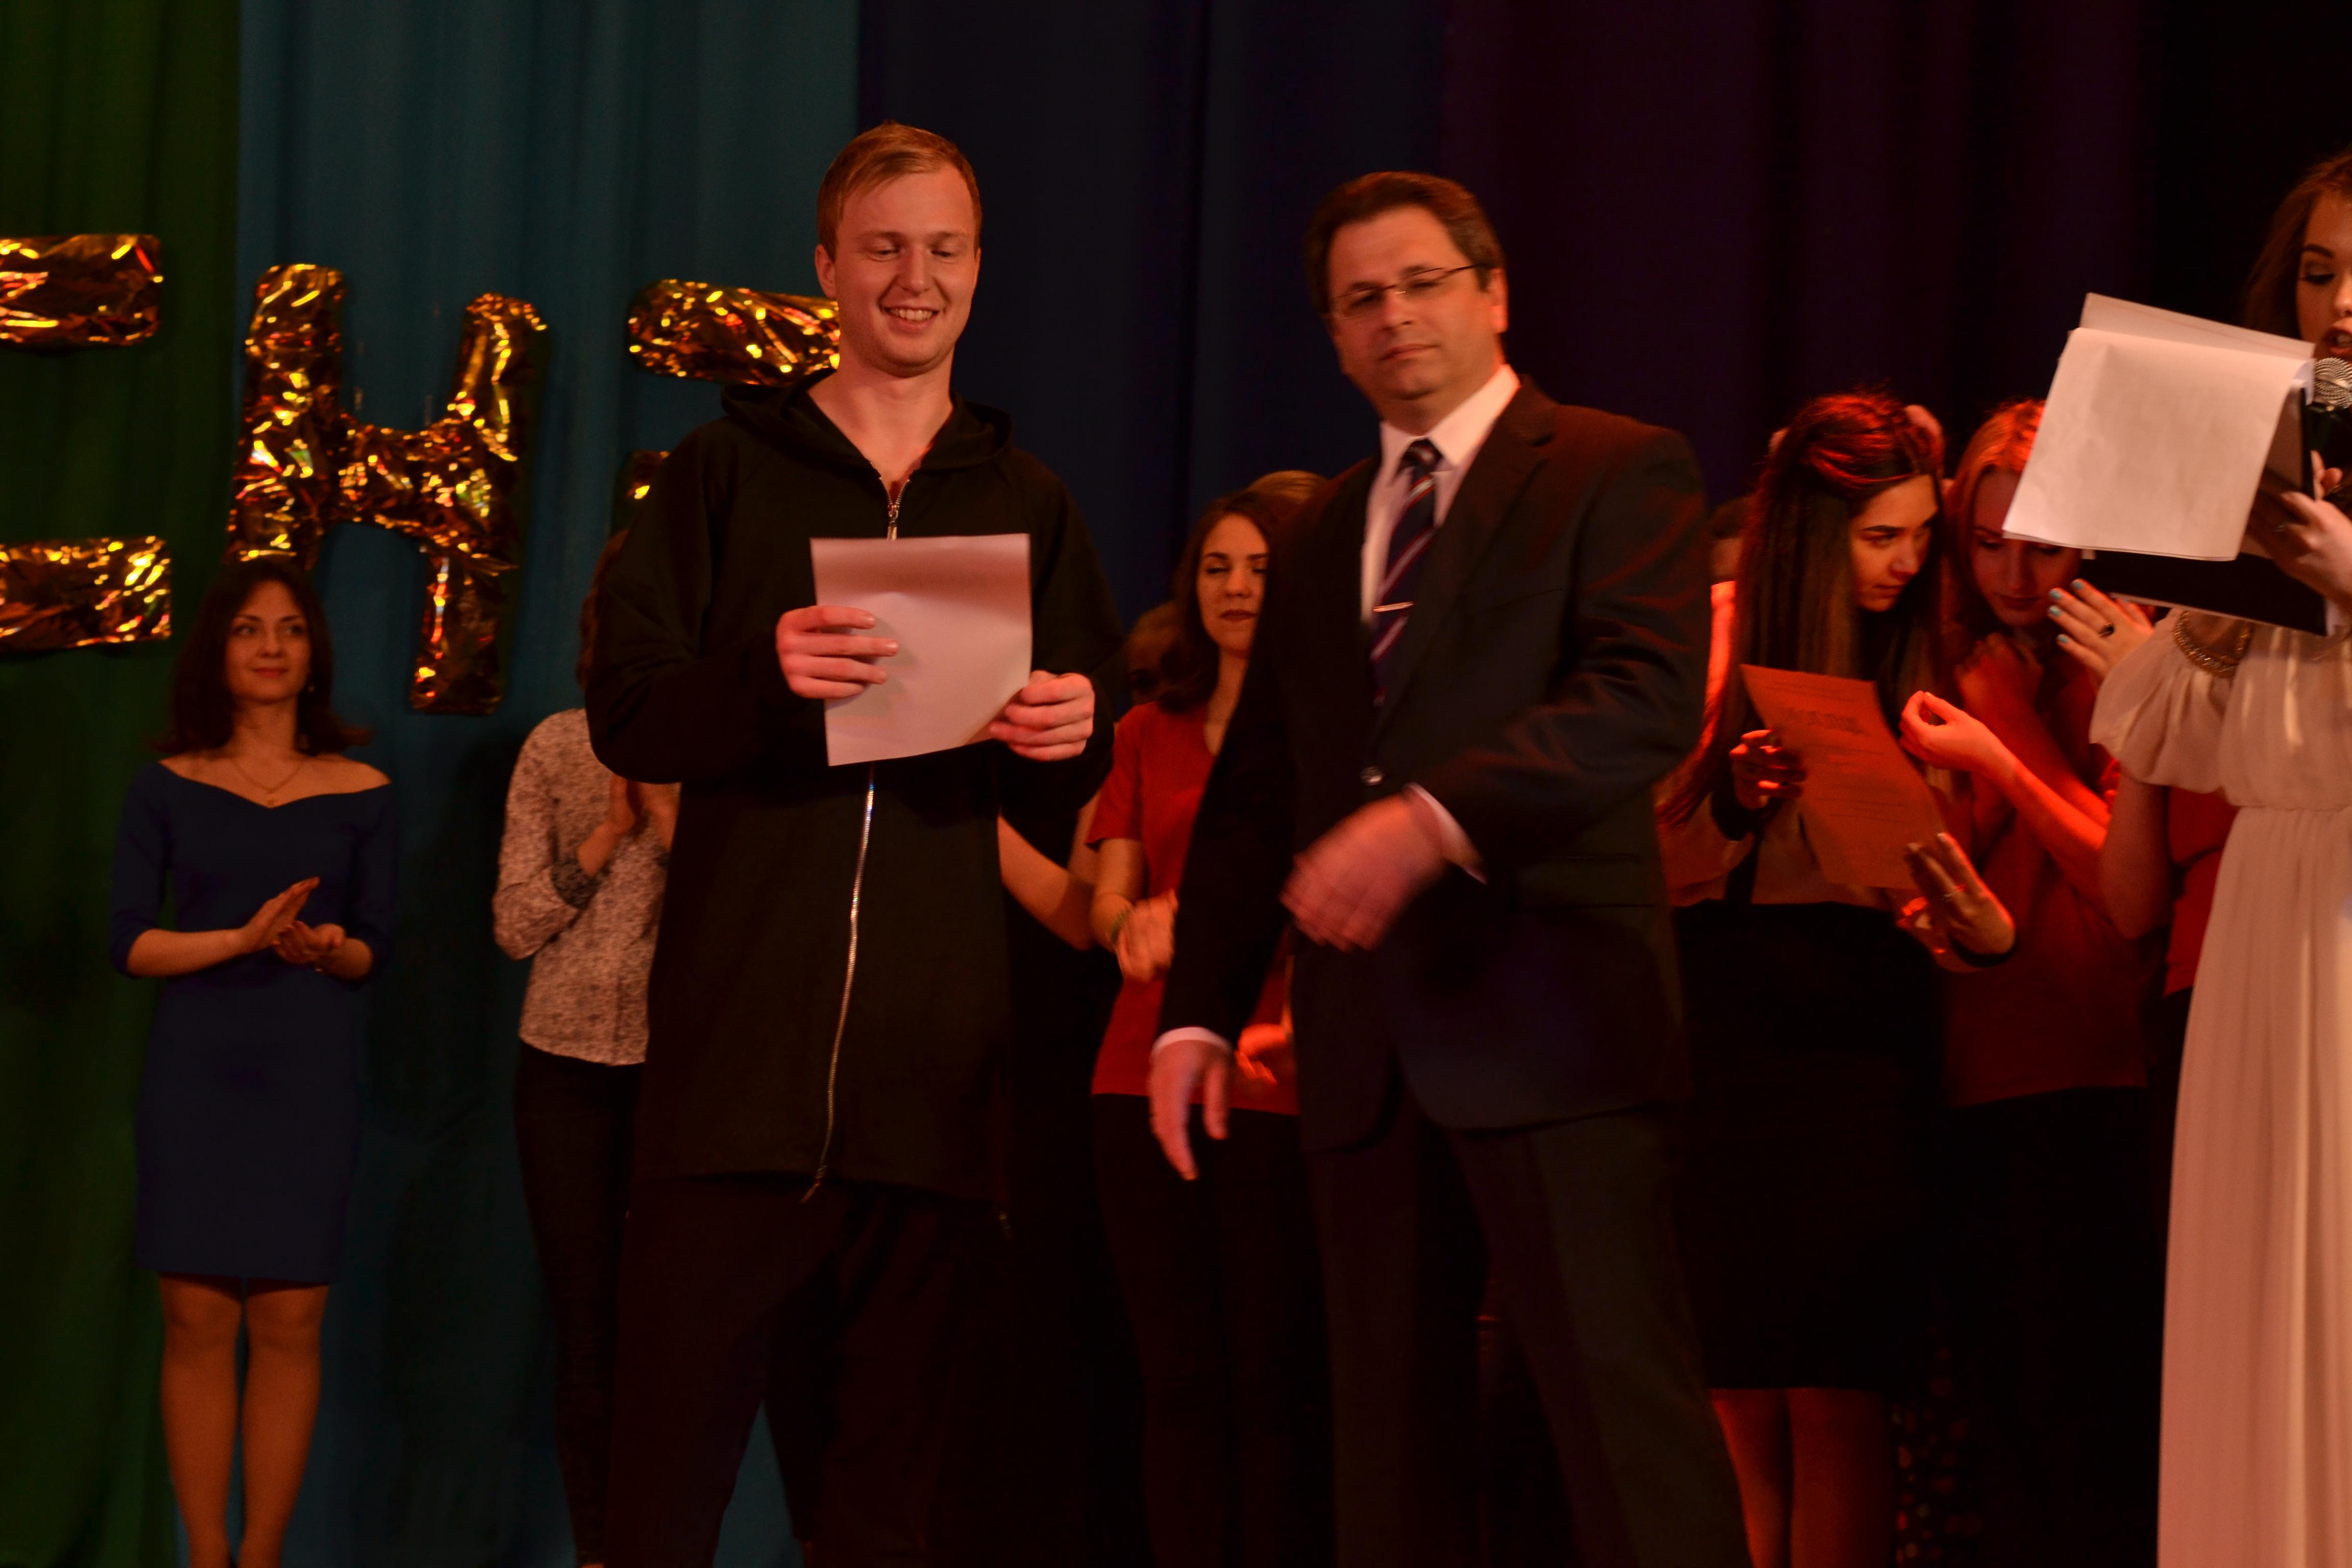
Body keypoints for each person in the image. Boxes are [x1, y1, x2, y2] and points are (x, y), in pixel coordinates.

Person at [1150, 169, 1747, 1568]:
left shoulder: (1613, 466)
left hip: (1557, 1026)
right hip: (1367, 1048)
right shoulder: (1319, 530)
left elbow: (1644, 699)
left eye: (1422, 283)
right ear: (1333, 335)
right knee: (1389, 1457)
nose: (1395, 316)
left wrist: (1431, 821)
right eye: (1360, 299)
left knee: (1624, 1434)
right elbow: (1260, 790)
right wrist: (1197, 1012)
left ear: (1495, 294)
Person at [586, 122, 1121, 1567]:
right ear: (827, 267)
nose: (914, 278)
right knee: (662, 1500)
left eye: (943, 250)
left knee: (886, 1512)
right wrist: (766, 677)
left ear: (979, 270)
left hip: (932, 1095)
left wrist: (1073, 725)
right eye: (884, 248)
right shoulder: (724, 472)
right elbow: (629, 709)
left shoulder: (1026, 500)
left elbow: (1093, 747)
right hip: (734, 1085)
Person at [1659, 391, 2017, 1568]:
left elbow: (1954, 875)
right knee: (1734, 1384)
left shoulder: (1929, 646)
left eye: (1921, 535)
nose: (1908, 562)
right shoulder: (1715, 629)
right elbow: (1643, 854)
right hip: (1730, 1015)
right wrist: (1731, 795)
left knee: (1840, 1386)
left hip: (1863, 1029)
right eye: (1881, 537)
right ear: (1813, 537)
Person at [2090, 146, 2352, 1568]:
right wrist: (2201, 583)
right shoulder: (2286, 458)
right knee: (2260, 1273)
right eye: (2318, 272)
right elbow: (2182, 732)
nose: (2341, 301)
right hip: (2267, 905)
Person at [1896, 399, 2163, 1566]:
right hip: (1970, 1078)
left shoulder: (2124, 662)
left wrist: (2007, 744)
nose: (2014, 575)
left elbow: (2121, 884)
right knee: (2002, 1422)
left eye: (2044, 546)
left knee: (2094, 1422)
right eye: (1991, 544)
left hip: (2099, 1078)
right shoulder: (1954, 662)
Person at [108, 557, 393, 1568]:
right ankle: (206, 1552)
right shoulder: (167, 786)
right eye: (248, 629)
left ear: (315, 653)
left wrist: (328, 947)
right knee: (194, 1319)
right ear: (217, 652)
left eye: (291, 630)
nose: (271, 648)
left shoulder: (364, 790)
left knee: (290, 1316)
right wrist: (238, 939)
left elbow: (375, 948)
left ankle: (262, 1555)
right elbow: (131, 943)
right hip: (197, 1071)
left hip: (308, 1073)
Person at [1088, 471, 1331, 1568]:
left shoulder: (1335, 732)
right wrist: (1131, 921)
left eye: (1262, 569)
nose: (1236, 589)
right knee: (1175, 1378)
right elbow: (1108, 897)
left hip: (1278, 1065)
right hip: (1140, 1068)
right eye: (1218, 568)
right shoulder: (1150, 729)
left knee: (1276, 1376)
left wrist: (1223, 915)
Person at [493, 533, 678, 1568]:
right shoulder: (557, 747)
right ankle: (600, 1549)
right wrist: (606, 836)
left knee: (671, 1333)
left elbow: (745, 919)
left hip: (677, 1070)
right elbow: (514, 924)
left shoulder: (719, 757)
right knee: (589, 1330)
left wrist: (671, 813)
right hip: (561, 1067)